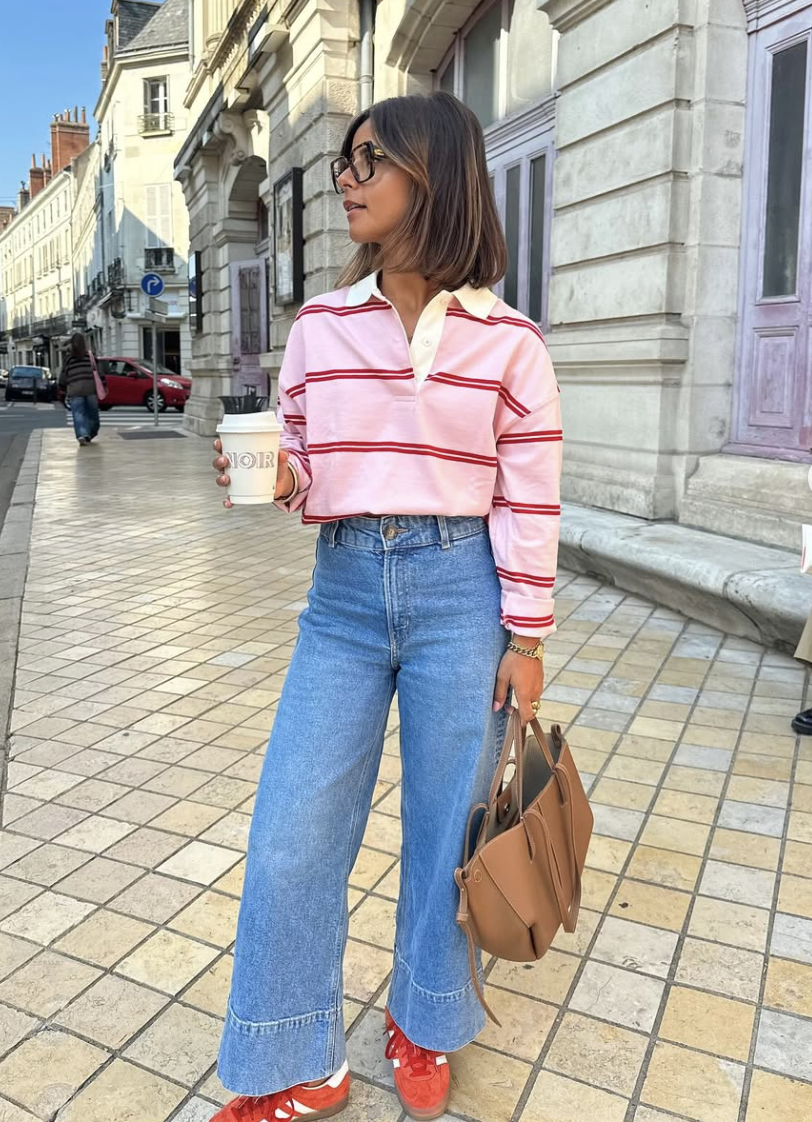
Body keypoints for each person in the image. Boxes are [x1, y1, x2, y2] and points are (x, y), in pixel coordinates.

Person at [210, 92, 562, 1122]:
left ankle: (426, 1016)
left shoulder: (511, 345)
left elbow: (529, 494)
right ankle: (298, 1057)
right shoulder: (319, 325)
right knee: (293, 830)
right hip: (347, 593)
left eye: (370, 161)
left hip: (466, 594)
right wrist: (282, 481)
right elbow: (306, 464)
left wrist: (527, 634)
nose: (348, 181)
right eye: (346, 163)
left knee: (446, 825)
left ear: (434, 176)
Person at [56, 333, 103, 446]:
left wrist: (62, 387)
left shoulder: (68, 358)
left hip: (74, 390)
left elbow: (64, 374)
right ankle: (89, 434)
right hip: (90, 389)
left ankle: (82, 434)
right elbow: (98, 372)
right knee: (93, 415)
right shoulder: (91, 356)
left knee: (78, 414)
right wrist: (104, 384)